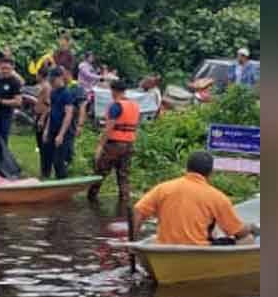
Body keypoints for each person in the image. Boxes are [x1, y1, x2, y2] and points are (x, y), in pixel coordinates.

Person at [133, 151, 260, 245]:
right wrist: (251, 228)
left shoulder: (162, 188)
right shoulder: (217, 197)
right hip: (199, 249)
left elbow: (138, 212)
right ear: (210, 172)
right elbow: (237, 232)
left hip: (164, 247)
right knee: (247, 238)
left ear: (187, 168)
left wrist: (133, 240)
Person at [87, 80, 140, 210]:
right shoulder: (134, 105)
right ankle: (124, 207)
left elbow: (108, 128)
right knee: (123, 176)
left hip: (114, 145)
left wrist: (100, 146)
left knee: (99, 173)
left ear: (114, 91)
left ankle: (90, 201)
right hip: (129, 144)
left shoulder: (116, 106)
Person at [42, 67, 79, 179]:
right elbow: (51, 112)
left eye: (53, 81)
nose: (51, 83)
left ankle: (63, 182)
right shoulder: (53, 93)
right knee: (49, 157)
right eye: (50, 81)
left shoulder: (67, 93)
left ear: (60, 78)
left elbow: (68, 115)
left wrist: (61, 134)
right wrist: (46, 130)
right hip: (53, 128)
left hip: (64, 131)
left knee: (59, 160)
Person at [33, 66, 53, 177]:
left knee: (43, 145)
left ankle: (46, 171)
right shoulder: (43, 86)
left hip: (43, 117)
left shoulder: (46, 87)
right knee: (40, 145)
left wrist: (42, 118)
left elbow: (48, 104)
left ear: (40, 75)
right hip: (39, 115)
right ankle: (43, 170)